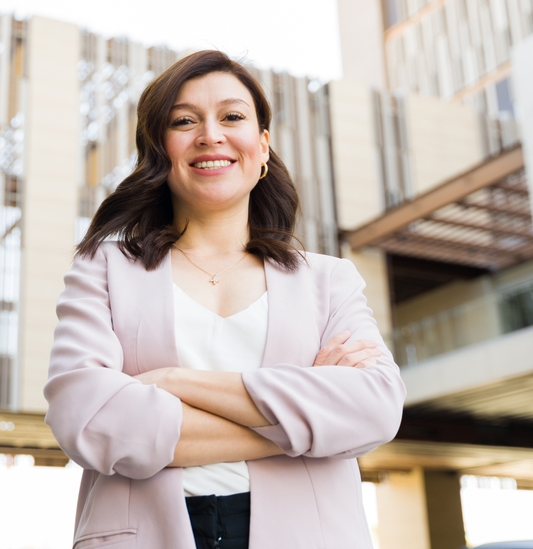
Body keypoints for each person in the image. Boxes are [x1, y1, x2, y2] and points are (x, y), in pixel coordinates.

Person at [44, 50, 406, 549]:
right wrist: (308, 423)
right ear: (159, 149)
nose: (210, 135)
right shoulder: (104, 268)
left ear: (261, 146)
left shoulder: (328, 280)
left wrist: (174, 382)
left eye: (232, 117)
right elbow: (87, 421)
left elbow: (376, 410)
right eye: (184, 121)